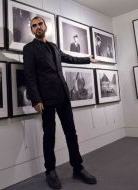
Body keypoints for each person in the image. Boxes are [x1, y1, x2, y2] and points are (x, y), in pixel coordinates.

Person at [23, 16, 98, 189]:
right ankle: (50, 171)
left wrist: (87, 59)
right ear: (32, 30)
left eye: (40, 24)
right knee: (49, 136)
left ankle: (78, 168)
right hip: (46, 99)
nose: (37, 27)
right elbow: (29, 76)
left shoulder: (54, 46)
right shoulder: (29, 49)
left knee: (71, 133)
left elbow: (69, 58)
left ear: (45, 26)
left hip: (63, 96)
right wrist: (36, 99)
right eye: (34, 26)